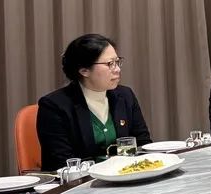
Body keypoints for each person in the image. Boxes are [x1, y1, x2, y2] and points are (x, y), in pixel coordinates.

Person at [36, 34, 153, 171]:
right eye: (110, 64)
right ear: (84, 70)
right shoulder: (54, 106)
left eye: (117, 62)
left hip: (127, 177)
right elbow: (62, 163)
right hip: (82, 181)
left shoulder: (125, 96)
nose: (117, 69)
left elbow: (143, 145)